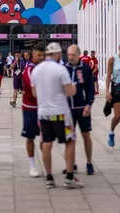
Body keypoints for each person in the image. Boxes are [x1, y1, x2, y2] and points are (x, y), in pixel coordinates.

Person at [31, 42, 82, 189]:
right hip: (61, 114)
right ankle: (69, 177)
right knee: (70, 141)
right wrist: (74, 88)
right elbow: (69, 92)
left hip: (44, 114)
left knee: (47, 143)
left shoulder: (36, 70)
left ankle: (49, 177)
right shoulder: (61, 70)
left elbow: (34, 93)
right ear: (58, 54)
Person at [65, 45, 95, 175]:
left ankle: (89, 162)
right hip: (67, 111)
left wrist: (89, 104)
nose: (70, 57)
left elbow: (90, 89)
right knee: (69, 138)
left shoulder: (86, 69)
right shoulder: (63, 69)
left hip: (83, 109)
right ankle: (71, 164)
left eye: (73, 54)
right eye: (69, 54)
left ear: (78, 55)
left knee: (86, 135)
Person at [21, 44, 44, 177]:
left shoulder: (44, 68)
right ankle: (32, 166)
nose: (40, 58)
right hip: (30, 108)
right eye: (38, 55)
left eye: (42, 55)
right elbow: (35, 90)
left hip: (44, 108)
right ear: (32, 55)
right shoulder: (30, 69)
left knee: (45, 137)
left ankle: (46, 162)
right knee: (30, 137)